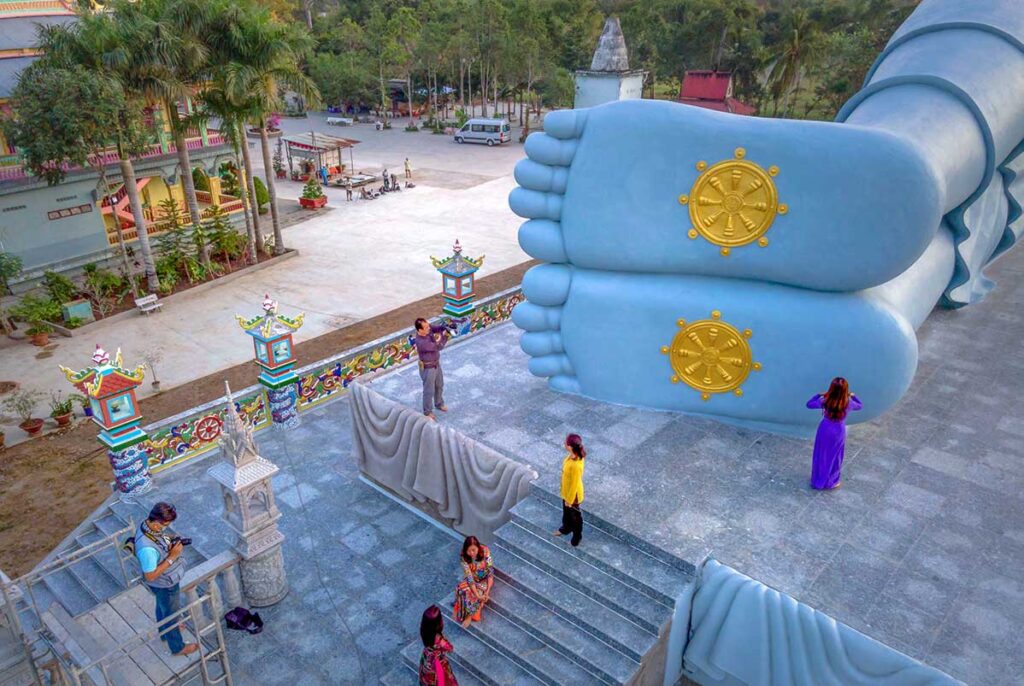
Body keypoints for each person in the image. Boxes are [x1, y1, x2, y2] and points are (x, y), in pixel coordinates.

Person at [135, 503, 199, 656]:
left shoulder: (146, 525)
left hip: (159, 584)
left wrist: (169, 539)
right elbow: (150, 575)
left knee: (162, 605)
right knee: (172, 614)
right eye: (165, 525)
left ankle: (164, 632)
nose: (166, 528)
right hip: (164, 583)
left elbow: (157, 538)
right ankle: (177, 647)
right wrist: (172, 557)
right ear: (157, 523)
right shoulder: (147, 550)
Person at [806, 377, 862, 490]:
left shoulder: (825, 401)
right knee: (835, 456)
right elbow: (860, 405)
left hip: (825, 429)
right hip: (839, 432)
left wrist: (818, 395)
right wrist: (853, 396)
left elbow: (809, 404)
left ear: (831, 389)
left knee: (821, 454)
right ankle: (831, 481)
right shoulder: (848, 403)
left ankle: (817, 481)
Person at [413, 317, 451, 420]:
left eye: (428, 325)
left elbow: (436, 328)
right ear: (419, 330)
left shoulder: (427, 330)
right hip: (428, 368)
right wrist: (446, 336)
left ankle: (439, 403)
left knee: (439, 385)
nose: (429, 328)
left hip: (436, 364)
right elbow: (438, 346)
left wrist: (445, 327)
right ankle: (427, 411)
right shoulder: (421, 342)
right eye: (425, 327)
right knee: (429, 390)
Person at [552, 433, 585, 546]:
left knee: (575, 517)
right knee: (566, 513)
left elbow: (574, 484)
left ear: (570, 446)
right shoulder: (571, 456)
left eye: (566, 443)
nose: (564, 444)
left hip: (573, 495)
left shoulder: (576, 465)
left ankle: (577, 537)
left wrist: (569, 500)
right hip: (566, 491)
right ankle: (566, 528)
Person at [453, 536, 493, 629]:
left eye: (473, 550)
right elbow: (470, 578)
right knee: (461, 589)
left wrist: (487, 591)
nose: (471, 553)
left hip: (484, 581)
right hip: (471, 579)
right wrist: (476, 593)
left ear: (478, 548)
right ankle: (458, 608)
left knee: (478, 594)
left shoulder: (485, 551)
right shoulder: (463, 557)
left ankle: (469, 616)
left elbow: (490, 573)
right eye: (468, 551)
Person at [419, 605, 458, 685]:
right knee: (442, 681)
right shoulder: (439, 640)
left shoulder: (424, 631)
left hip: (427, 657)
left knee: (429, 677)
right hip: (438, 663)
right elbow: (450, 648)